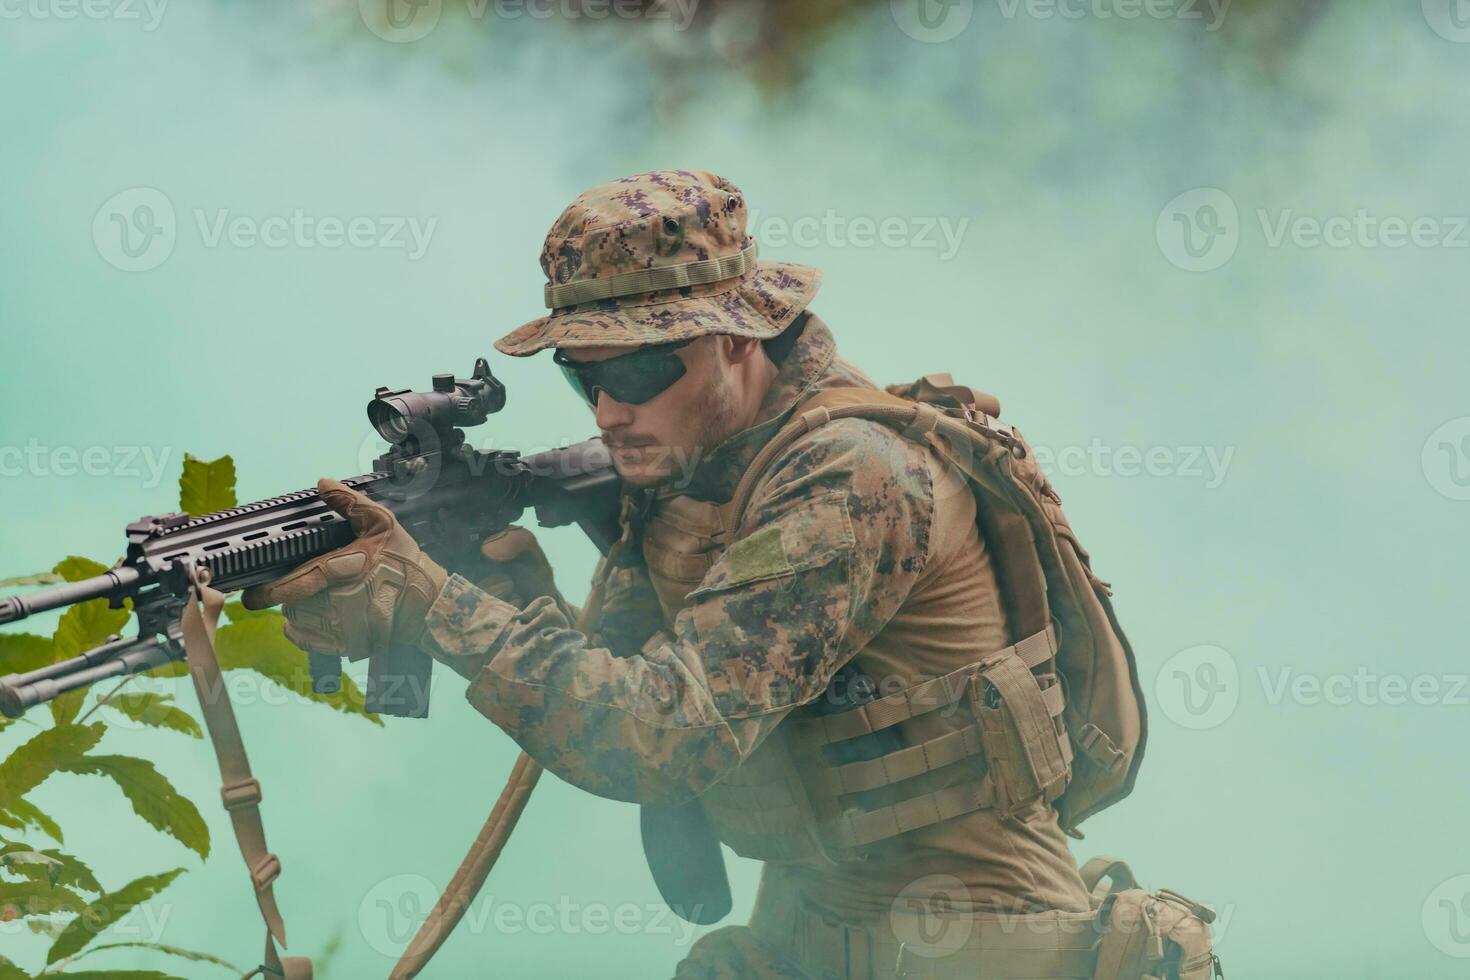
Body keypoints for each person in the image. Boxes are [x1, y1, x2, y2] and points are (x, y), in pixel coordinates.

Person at [244, 170, 1102, 979]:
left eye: (639, 369)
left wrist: (440, 610)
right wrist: (527, 606)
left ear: (736, 335)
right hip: (811, 931)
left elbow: (660, 739)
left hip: (981, 942)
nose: (611, 409)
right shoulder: (702, 458)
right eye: (583, 378)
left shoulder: (849, 477)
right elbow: (641, 678)